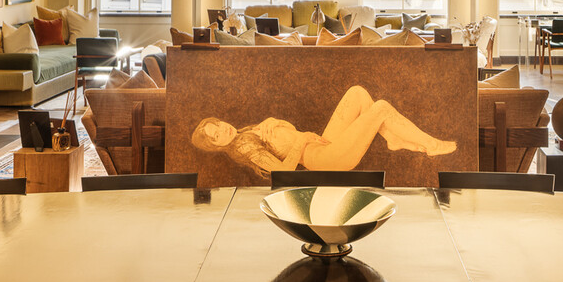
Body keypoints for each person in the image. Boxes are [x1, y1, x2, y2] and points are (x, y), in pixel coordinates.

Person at [189, 85, 457, 178]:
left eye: (218, 125)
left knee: (358, 93)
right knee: (381, 108)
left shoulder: (245, 133)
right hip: (324, 159)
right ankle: (430, 144)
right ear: (216, 145)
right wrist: (304, 138)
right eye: (215, 136)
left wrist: (274, 120)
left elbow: (289, 135)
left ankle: (393, 140)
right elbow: (283, 172)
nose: (222, 131)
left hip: (322, 145)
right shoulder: (243, 148)